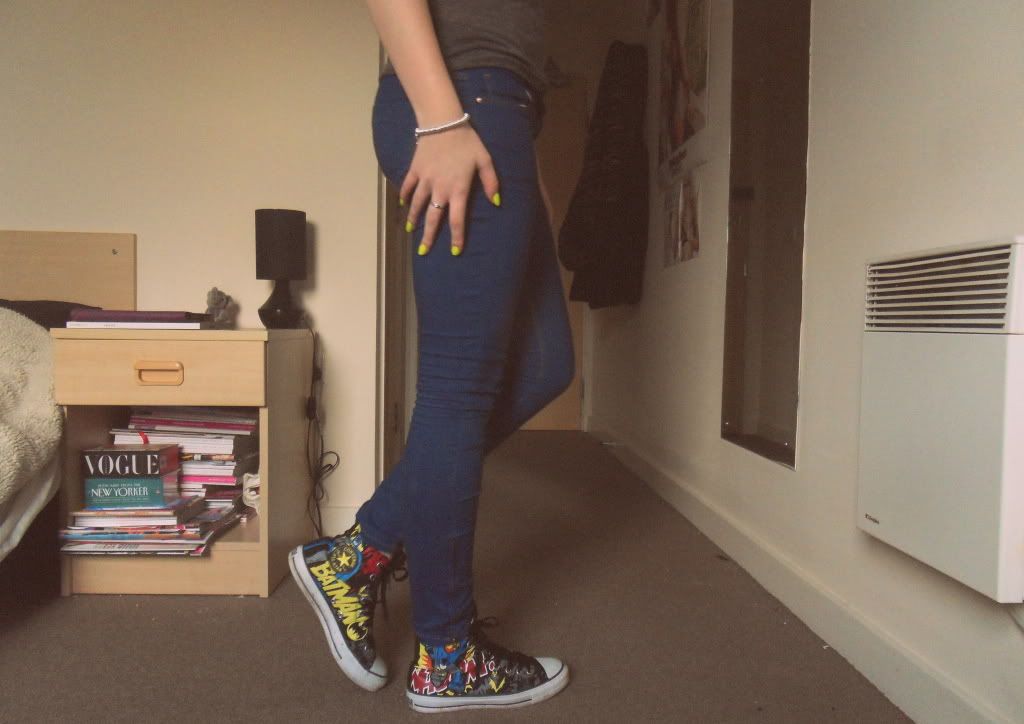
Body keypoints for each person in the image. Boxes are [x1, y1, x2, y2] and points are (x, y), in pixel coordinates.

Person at [289, 0, 575, 713]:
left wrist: (528, 167)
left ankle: (360, 551)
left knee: (545, 365)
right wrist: (444, 119)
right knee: (459, 390)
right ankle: (446, 655)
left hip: (502, 118)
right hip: (461, 102)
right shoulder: (452, 104)